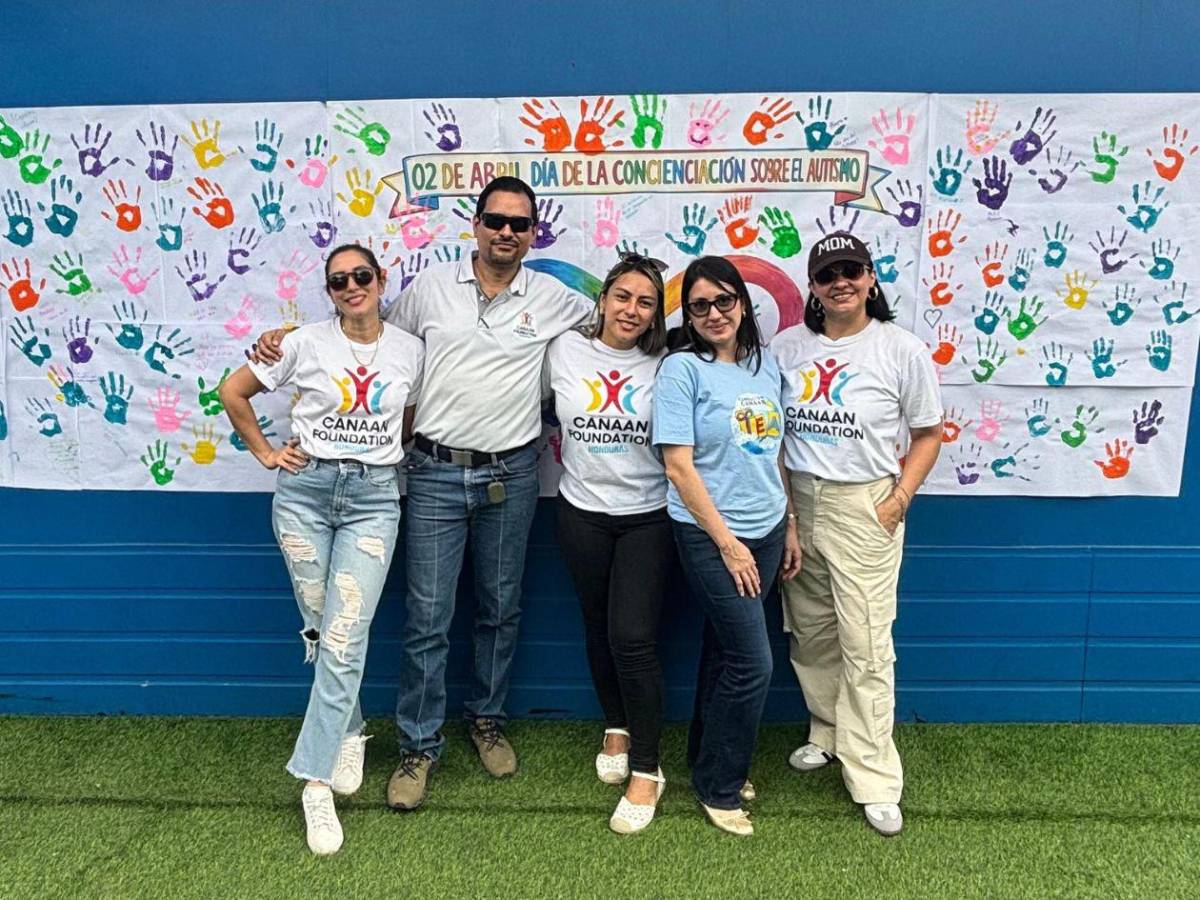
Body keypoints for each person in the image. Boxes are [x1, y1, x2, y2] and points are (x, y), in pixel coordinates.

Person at [255, 177, 594, 808]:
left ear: (534, 231)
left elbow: (619, 331)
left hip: (512, 473)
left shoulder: (554, 298)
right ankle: (417, 747)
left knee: (499, 606)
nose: (506, 233)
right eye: (495, 220)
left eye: (519, 224)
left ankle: (486, 721)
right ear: (476, 223)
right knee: (428, 617)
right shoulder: (431, 288)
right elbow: (367, 333)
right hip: (433, 472)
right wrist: (284, 339)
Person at [220, 245, 424, 855]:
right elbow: (234, 393)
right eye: (339, 281)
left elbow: (407, 422)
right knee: (320, 627)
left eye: (362, 276)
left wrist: (374, 460)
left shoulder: (409, 349)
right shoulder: (301, 343)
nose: (352, 287)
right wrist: (265, 453)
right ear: (329, 291)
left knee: (344, 633)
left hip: (372, 498)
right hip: (303, 496)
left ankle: (314, 782)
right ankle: (351, 728)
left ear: (381, 280)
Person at [771, 231, 942, 837]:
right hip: (798, 502)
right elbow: (770, 434)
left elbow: (928, 433)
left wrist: (896, 501)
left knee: (866, 640)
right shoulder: (786, 347)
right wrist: (788, 515)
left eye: (852, 270)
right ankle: (827, 732)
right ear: (813, 287)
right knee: (811, 630)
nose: (840, 282)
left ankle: (873, 776)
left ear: (871, 278)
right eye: (827, 274)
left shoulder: (901, 349)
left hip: (864, 503)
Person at [652, 255, 801, 837]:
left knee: (723, 653)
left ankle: (705, 761)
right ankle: (720, 786)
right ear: (687, 316)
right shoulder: (681, 370)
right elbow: (678, 468)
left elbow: (774, 452)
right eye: (699, 306)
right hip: (711, 535)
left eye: (724, 301)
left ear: (743, 302)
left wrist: (788, 524)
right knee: (752, 662)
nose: (714, 313)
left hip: (766, 530)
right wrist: (728, 545)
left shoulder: (765, 367)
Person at [546, 252, 671, 833]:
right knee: (597, 625)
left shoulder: (671, 363)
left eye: (646, 302)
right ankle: (616, 724)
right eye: (623, 296)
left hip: (649, 516)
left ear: (657, 314)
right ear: (603, 298)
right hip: (580, 512)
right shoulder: (564, 349)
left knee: (633, 638)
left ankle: (648, 767)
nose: (632, 309)